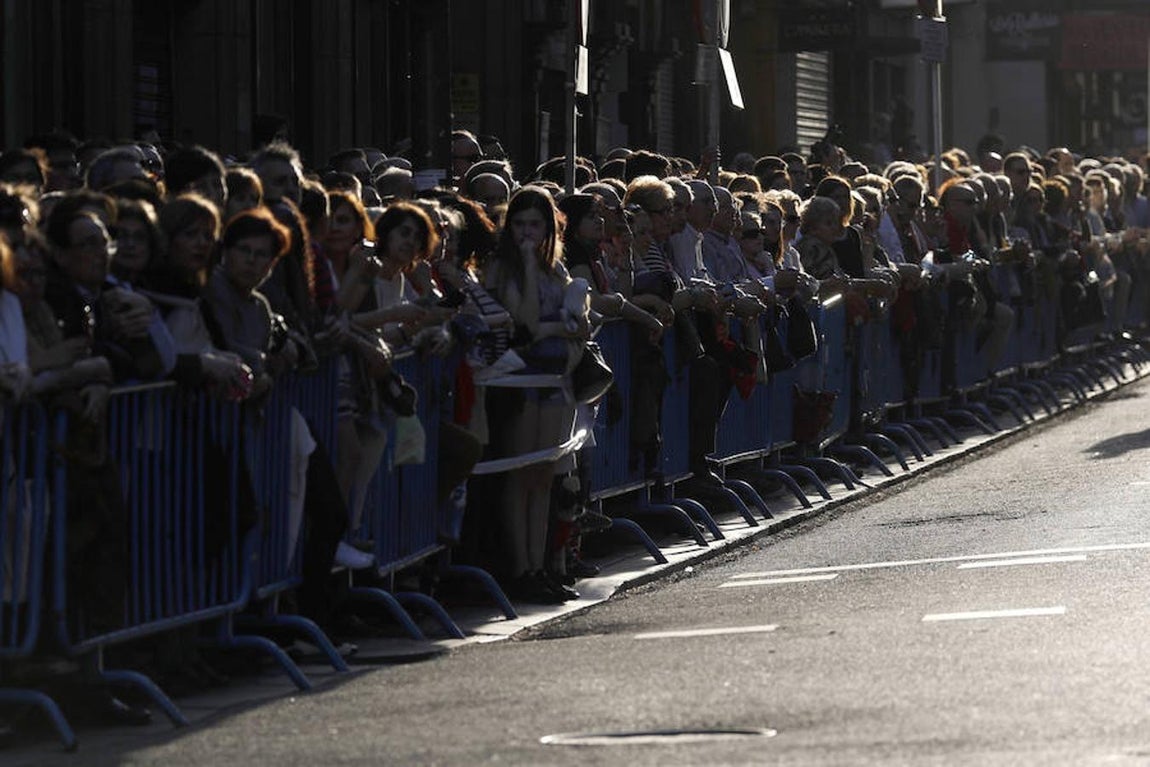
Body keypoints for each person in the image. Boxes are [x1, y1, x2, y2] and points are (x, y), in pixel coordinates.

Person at [484, 187, 585, 603]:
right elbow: (522, 324)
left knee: (545, 475)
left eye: (536, 225)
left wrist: (555, 327)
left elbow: (578, 325)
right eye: (520, 224)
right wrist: (526, 264)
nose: (528, 233)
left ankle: (541, 565)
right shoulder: (502, 269)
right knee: (521, 473)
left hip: (555, 380)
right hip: (519, 382)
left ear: (549, 227)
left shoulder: (558, 270)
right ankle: (520, 568)